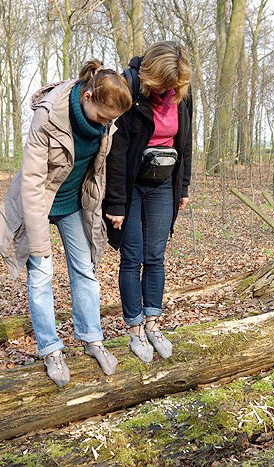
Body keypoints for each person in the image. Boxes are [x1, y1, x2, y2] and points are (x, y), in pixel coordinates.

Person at [0, 60, 132, 387]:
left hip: (73, 202)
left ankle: (91, 337)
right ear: (87, 97)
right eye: (103, 116)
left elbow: (97, 169)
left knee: (85, 269)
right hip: (38, 202)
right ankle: (50, 348)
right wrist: (40, 245)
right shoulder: (49, 115)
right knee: (41, 272)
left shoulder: (105, 120)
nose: (106, 124)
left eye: (112, 120)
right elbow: (32, 182)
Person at [103, 41, 193, 363]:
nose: (167, 91)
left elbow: (185, 143)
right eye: (162, 85)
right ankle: (135, 328)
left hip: (163, 184)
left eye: (172, 86)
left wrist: (183, 186)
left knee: (155, 256)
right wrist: (114, 204)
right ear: (150, 76)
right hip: (130, 187)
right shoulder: (129, 89)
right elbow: (115, 153)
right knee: (132, 256)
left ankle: (153, 322)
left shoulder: (182, 93)